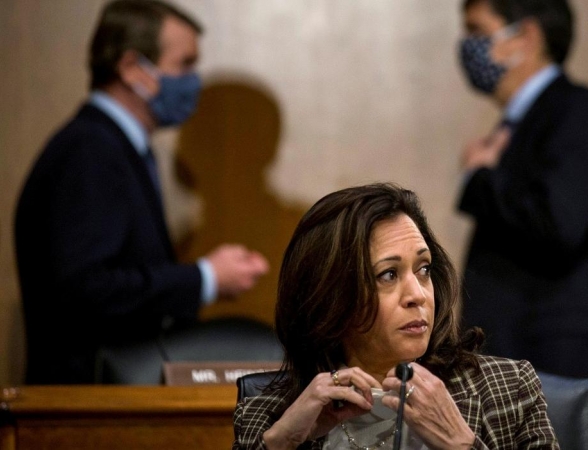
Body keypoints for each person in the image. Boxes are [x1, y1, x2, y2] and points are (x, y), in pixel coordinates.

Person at [14, 0, 268, 385]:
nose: (192, 80)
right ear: (133, 69)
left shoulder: (114, 147)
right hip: (84, 407)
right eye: (184, 64)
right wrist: (205, 278)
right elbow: (85, 289)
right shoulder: (90, 151)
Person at [232, 183, 559, 449]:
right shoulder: (267, 414)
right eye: (388, 275)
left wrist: (461, 446)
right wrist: (284, 442)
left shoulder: (505, 390)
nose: (417, 294)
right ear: (330, 296)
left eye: (424, 269)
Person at [455, 0, 588, 380]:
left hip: (558, 364)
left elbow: (557, 224)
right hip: (525, 363)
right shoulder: (520, 123)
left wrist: (480, 179)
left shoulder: (577, 110)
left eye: (477, 32)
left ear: (527, 36)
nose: (466, 45)